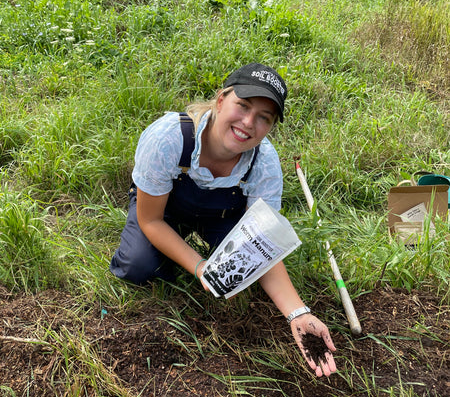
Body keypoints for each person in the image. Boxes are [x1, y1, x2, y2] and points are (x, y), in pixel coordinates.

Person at [110, 63, 337, 377]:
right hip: (165, 210)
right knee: (139, 267)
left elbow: (261, 246)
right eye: (243, 106)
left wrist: (297, 313)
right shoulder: (169, 139)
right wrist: (199, 265)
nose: (248, 123)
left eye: (264, 118)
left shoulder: (264, 163)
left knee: (245, 274)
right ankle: (174, 250)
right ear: (220, 100)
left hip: (224, 214)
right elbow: (150, 220)